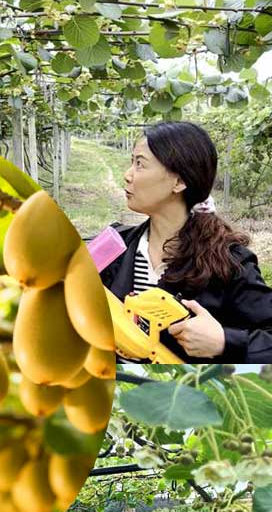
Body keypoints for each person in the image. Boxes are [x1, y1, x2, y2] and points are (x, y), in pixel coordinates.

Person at [99, 120, 272, 363]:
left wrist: (225, 342)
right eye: (131, 162)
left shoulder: (229, 262)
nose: (127, 175)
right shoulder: (114, 246)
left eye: (140, 164)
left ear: (179, 182)